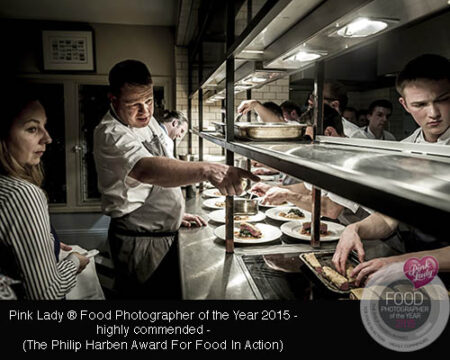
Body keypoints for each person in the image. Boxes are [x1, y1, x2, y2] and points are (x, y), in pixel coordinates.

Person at [93, 59, 258, 299]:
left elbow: (165, 160)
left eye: (148, 100)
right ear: (113, 100)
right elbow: (146, 169)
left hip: (160, 234)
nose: (145, 111)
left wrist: (173, 214)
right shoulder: (110, 133)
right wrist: (208, 169)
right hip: (140, 244)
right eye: (134, 104)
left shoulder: (146, 122)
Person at [332, 54, 450, 285]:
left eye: (443, 100)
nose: (434, 113)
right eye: (420, 105)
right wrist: (356, 229)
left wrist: (403, 262)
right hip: (419, 269)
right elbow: (389, 219)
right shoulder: (405, 150)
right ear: (404, 105)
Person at [0, 85, 90, 300]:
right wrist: (75, 261)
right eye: (32, 129)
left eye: (45, 127)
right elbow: (46, 294)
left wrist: (43, 243)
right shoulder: (21, 195)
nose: (47, 138)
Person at [251, 105, 368, 224]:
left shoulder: (350, 160)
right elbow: (307, 189)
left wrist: (287, 195)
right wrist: (274, 189)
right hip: (344, 227)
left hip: (372, 237)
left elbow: (331, 209)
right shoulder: (328, 154)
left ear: (328, 133)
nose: (307, 146)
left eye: (309, 138)